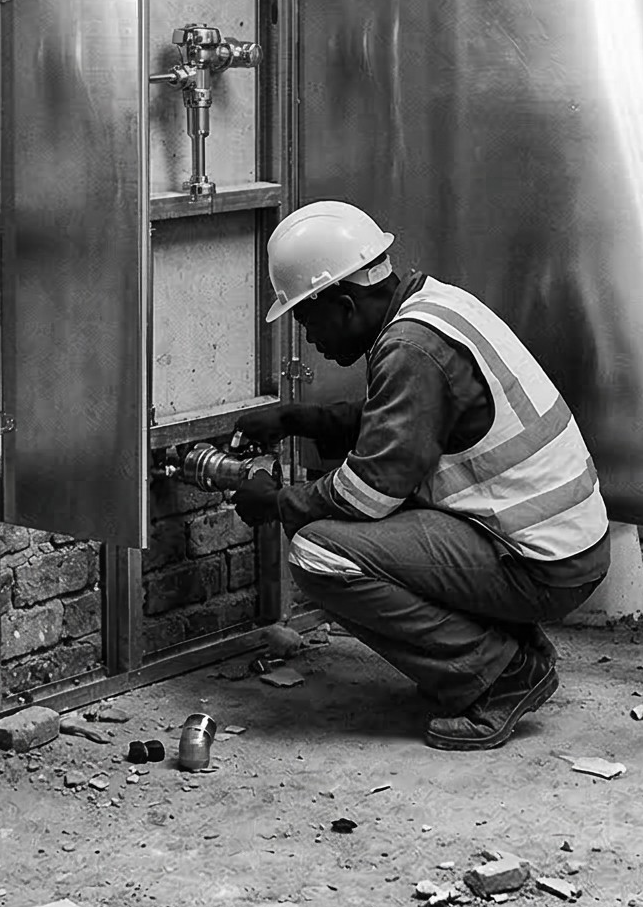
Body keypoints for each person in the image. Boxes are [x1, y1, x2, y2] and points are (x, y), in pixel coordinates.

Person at [226, 201, 614, 751]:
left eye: (307, 320)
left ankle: (500, 676)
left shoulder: (411, 349)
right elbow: (407, 423)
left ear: (342, 303)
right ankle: (504, 652)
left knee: (319, 553)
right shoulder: (433, 308)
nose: (308, 338)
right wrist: (297, 420)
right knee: (379, 529)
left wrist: (279, 503)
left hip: (539, 564)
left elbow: (368, 494)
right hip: (557, 546)